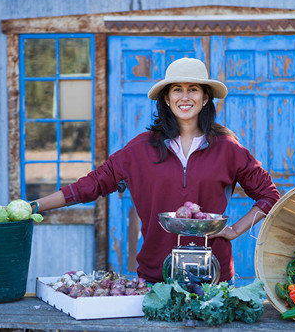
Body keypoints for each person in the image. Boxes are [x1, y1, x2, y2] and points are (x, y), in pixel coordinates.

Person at [31, 57, 280, 284]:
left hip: (214, 277)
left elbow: (269, 195)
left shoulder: (227, 148)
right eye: (177, 90)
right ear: (166, 98)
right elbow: (91, 185)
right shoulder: (140, 148)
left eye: (193, 89)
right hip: (155, 276)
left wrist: (236, 230)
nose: (185, 97)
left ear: (205, 98)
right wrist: (34, 207)